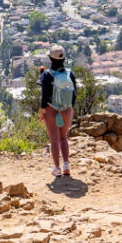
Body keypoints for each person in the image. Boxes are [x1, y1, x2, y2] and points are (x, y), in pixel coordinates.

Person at [39, 45, 77, 177]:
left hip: (52, 110)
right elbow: (74, 94)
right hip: (67, 109)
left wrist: (42, 111)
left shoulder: (47, 74)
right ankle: (66, 165)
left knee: (54, 140)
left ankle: (57, 168)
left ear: (50, 58)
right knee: (63, 137)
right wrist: (69, 108)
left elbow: (44, 96)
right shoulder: (69, 73)